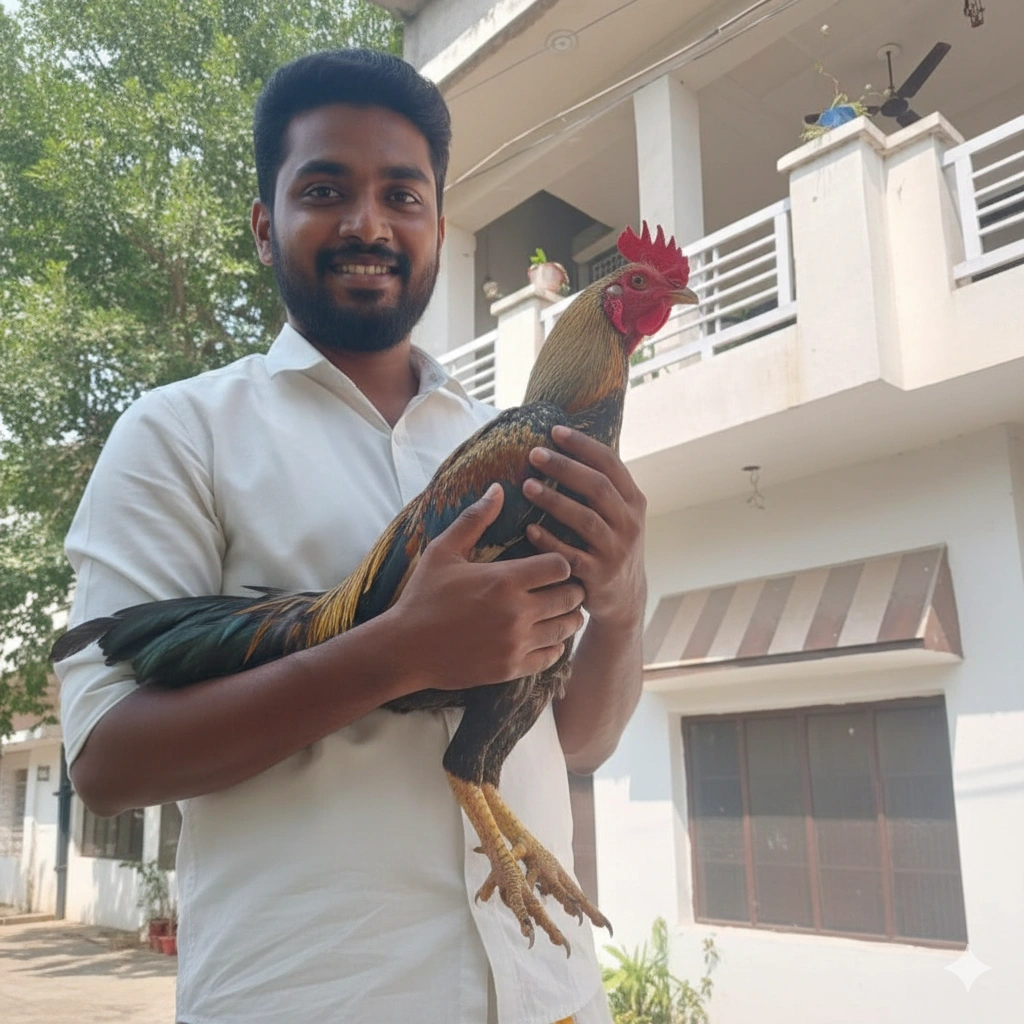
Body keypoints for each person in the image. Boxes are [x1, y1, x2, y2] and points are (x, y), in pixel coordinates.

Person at [57, 48, 647, 1024]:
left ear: (437, 226)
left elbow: (571, 737)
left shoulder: (514, 440)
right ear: (265, 223)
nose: (369, 221)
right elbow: (108, 763)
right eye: (326, 188)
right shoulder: (179, 432)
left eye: (402, 195)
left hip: (551, 997)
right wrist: (393, 652)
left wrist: (620, 607)